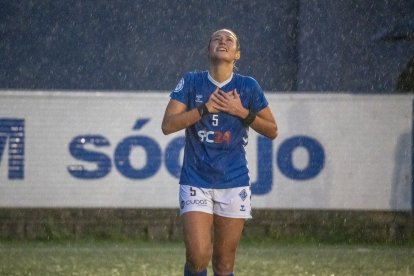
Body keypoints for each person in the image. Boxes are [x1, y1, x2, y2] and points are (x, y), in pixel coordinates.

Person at [161, 28, 278, 276]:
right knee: (198, 256)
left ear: (237, 54)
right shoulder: (192, 81)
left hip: (233, 180)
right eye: (217, 38)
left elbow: (272, 130)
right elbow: (168, 125)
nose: (222, 41)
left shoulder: (248, 86)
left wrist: (241, 112)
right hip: (196, 179)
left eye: (229, 40)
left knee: (224, 263)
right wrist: (204, 109)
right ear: (208, 50)